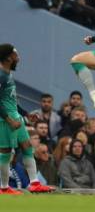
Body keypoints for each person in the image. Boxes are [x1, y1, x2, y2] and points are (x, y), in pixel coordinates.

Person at [0, 44, 54, 194]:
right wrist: (9, 120)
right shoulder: (1, 75)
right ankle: (3, 187)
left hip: (16, 117)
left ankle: (35, 183)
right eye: (16, 54)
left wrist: (25, 114)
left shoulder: (8, 74)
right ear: (9, 57)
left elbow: (10, 101)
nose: (19, 57)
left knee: (27, 146)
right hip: (6, 121)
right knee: (5, 152)